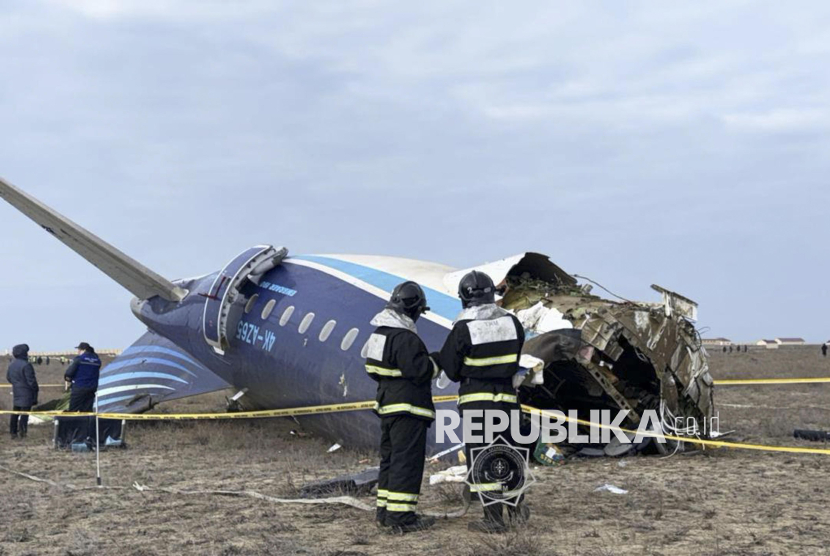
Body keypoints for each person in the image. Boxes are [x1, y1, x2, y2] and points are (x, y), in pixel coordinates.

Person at [435, 270, 528, 534]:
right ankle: (518, 509)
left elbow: (451, 369)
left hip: (478, 403)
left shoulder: (463, 328)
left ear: (465, 298)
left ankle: (494, 519)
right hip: (508, 402)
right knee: (510, 455)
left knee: (484, 459)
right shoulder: (512, 323)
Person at [365, 281, 437, 534]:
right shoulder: (406, 338)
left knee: (391, 460)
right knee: (407, 462)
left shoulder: (379, 334)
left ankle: (385, 512)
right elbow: (420, 372)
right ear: (415, 309)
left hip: (387, 406)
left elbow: (371, 370)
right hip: (408, 409)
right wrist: (436, 362)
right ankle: (401, 517)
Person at [6, 344, 38, 439]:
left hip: (16, 391)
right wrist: (35, 389)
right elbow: (31, 381)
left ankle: (13, 432)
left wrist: (16, 384)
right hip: (27, 392)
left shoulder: (11, 364)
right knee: (24, 414)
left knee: (15, 413)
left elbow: (8, 377)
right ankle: (23, 433)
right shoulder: (26, 365)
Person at [64, 342, 102, 412]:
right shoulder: (97, 360)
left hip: (79, 387)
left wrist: (69, 378)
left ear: (84, 350)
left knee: (73, 410)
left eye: (79, 349)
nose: (78, 351)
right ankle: (86, 422)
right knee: (87, 411)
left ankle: (72, 422)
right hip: (92, 388)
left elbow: (69, 373)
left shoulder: (79, 359)